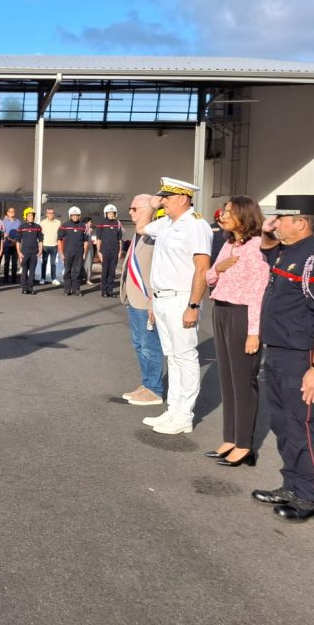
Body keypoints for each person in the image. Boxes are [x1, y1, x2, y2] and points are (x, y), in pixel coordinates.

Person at [252, 194, 314, 522]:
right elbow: (265, 248)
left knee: (303, 426)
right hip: (277, 353)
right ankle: (291, 484)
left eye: (282, 218)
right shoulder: (289, 252)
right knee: (283, 423)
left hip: (300, 358)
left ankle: (311, 497)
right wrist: (267, 230)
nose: (277, 223)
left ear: (301, 223)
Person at [134, 177, 213, 435]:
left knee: (185, 358)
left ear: (183, 198)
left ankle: (184, 416)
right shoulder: (167, 223)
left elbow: (202, 268)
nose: (163, 202)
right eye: (162, 197)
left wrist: (193, 305)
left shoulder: (196, 225)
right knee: (173, 358)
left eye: (166, 197)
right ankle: (173, 410)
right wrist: (151, 204)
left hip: (181, 298)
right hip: (162, 299)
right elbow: (141, 228)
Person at [204, 196, 269, 467]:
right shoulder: (229, 244)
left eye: (229, 212)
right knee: (227, 380)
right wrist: (218, 268)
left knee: (243, 382)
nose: (223, 215)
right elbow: (209, 277)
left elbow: (258, 293)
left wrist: (254, 332)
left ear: (245, 216)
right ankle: (229, 438)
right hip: (221, 310)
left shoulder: (257, 248)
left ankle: (244, 444)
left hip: (242, 315)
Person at [119, 194, 165, 406]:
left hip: (147, 301)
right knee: (140, 345)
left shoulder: (155, 234)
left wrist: (152, 303)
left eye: (134, 209)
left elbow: (157, 271)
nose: (130, 212)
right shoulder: (139, 234)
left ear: (149, 209)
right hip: (134, 299)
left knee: (149, 346)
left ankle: (154, 389)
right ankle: (147, 384)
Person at [57, 207, 88, 296]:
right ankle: (67, 289)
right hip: (68, 252)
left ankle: (76, 289)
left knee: (77, 271)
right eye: (73, 215)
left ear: (79, 216)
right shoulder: (65, 225)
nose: (75, 217)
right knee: (67, 271)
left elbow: (86, 240)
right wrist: (61, 253)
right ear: (70, 216)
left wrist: (84, 253)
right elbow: (59, 239)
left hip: (79, 252)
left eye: (76, 215)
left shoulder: (83, 226)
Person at [95, 204, 124, 297]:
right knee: (105, 272)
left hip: (115, 251)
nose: (111, 215)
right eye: (109, 213)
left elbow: (120, 239)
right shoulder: (101, 223)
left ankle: (110, 291)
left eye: (113, 213)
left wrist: (120, 252)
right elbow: (98, 239)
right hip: (105, 251)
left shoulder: (118, 223)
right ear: (106, 213)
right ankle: (104, 291)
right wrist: (99, 253)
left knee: (112, 272)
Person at [17, 207, 43, 294]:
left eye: (32, 215)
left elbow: (40, 239)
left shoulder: (37, 227)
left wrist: (40, 250)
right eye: (29, 215)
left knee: (32, 270)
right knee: (24, 270)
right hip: (24, 252)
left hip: (34, 252)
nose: (31, 217)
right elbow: (18, 241)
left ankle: (30, 288)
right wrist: (19, 252)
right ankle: (24, 288)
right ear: (25, 216)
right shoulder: (22, 227)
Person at [39, 208, 61, 285]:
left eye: (52, 213)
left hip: (54, 245)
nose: (51, 214)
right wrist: (40, 247)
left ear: (54, 214)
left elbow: (60, 234)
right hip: (45, 245)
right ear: (46, 214)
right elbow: (40, 236)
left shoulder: (58, 222)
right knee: (44, 263)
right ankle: (42, 278)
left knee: (53, 263)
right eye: (49, 213)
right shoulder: (42, 223)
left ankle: (54, 278)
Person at [0, 207, 21, 283]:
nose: (12, 213)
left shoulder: (18, 222)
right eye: (10, 211)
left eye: (13, 211)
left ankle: (14, 278)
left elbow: (19, 233)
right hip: (7, 244)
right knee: (7, 262)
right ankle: (6, 278)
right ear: (7, 213)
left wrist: (15, 241)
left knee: (15, 262)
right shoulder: (3, 222)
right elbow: (3, 233)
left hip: (16, 244)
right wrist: (10, 239)